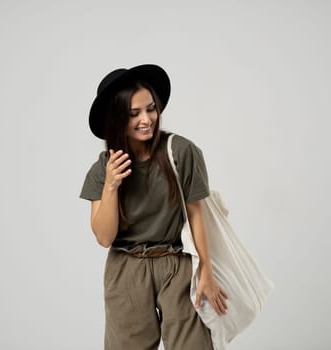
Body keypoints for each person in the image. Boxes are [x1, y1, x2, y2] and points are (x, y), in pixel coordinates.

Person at [80, 64, 228, 350]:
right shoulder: (101, 170)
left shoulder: (181, 152)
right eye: (134, 114)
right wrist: (111, 185)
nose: (146, 119)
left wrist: (207, 274)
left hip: (178, 264)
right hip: (126, 269)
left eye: (151, 109)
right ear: (116, 118)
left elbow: (198, 215)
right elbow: (104, 237)